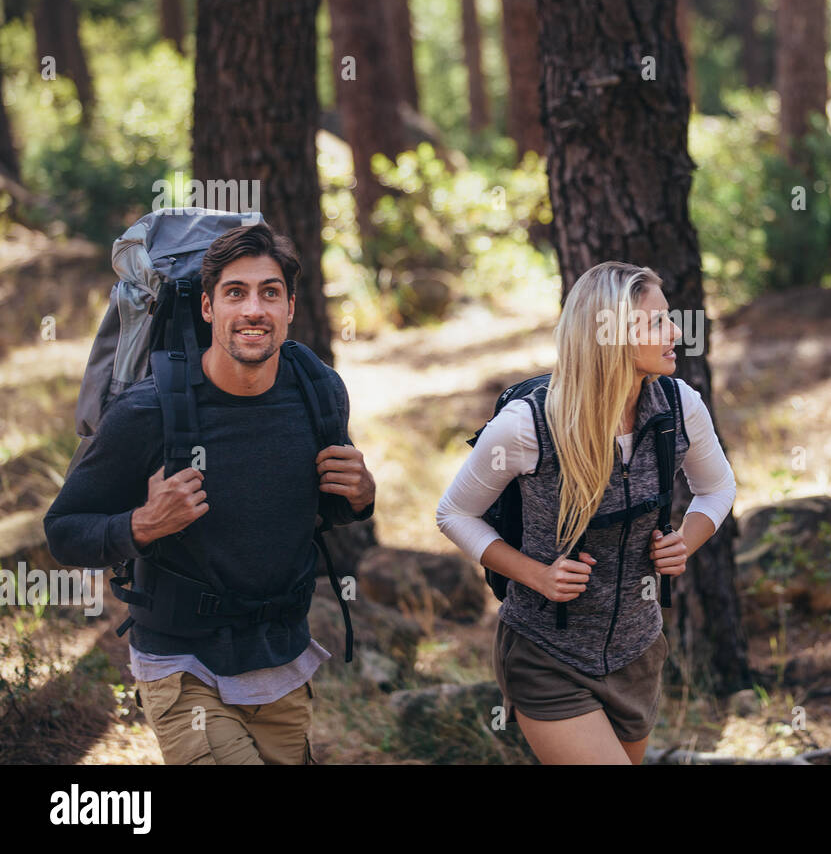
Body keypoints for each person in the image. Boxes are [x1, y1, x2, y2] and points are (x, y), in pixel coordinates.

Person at [44, 223, 376, 764]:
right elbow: (63, 532)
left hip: (281, 658)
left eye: (270, 292)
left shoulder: (318, 392)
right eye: (235, 292)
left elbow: (321, 503)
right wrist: (141, 525)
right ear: (207, 307)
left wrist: (361, 496)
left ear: (290, 307)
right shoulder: (149, 412)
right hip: (183, 662)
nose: (254, 310)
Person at [436, 261, 736, 764]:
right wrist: (536, 576)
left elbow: (717, 487)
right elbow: (454, 514)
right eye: (657, 322)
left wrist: (687, 539)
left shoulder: (679, 406)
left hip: (639, 654)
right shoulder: (526, 426)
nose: (676, 332)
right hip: (546, 655)